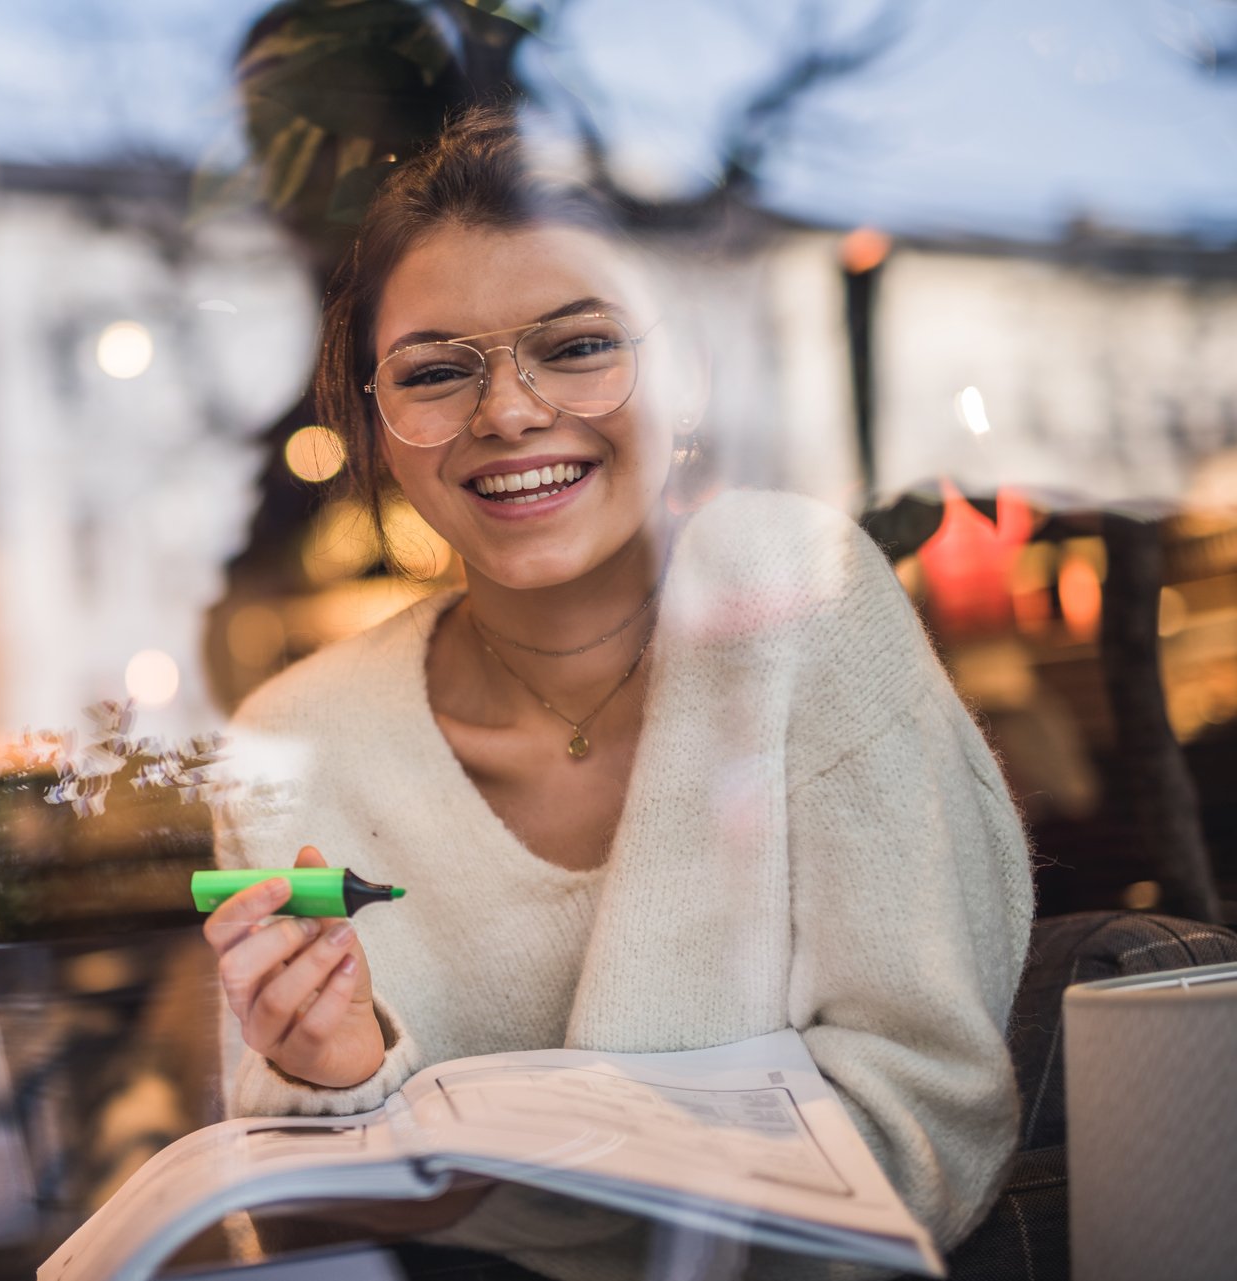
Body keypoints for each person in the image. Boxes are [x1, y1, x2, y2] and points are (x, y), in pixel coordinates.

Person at [203, 106, 1033, 1277]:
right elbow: (303, 1237)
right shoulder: (294, 744)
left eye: (579, 347)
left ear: (684, 374)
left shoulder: (794, 601)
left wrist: (482, 1185)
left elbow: (929, 1132)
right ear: (378, 428)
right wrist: (333, 1085)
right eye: (434, 372)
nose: (508, 412)